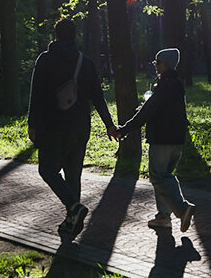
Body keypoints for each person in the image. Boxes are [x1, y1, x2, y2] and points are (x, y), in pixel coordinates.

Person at [28, 18, 118, 236]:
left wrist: (33, 124)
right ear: (74, 35)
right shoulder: (85, 63)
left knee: (47, 169)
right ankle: (72, 222)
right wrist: (109, 125)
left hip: (54, 126)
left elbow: (37, 95)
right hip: (80, 127)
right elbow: (98, 97)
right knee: (73, 174)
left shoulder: (46, 60)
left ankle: (74, 208)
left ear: (56, 35)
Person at [114, 48, 196, 232]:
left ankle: (182, 209)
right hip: (177, 140)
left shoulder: (164, 85)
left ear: (165, 64)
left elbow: (147, 112)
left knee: (158, 177)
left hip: (162, 139)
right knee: (165, 176)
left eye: (157, 62)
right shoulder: (177, 84)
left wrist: (124, 129)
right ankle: (163, 217)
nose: (155, 65)